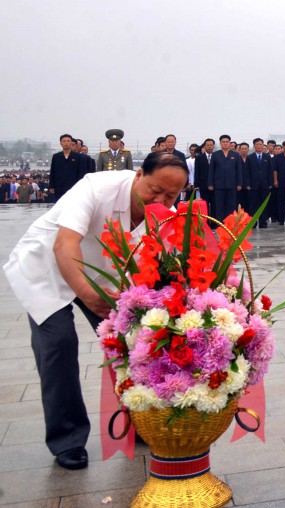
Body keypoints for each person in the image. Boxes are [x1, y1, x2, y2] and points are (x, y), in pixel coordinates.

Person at [3, 151, 188, 470]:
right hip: (50, 269)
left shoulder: (166, 213)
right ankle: (67, 438)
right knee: (59, 343)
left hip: (106, 274)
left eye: (171, 195)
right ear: (140, 174)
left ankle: (142, 420)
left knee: (136, 344)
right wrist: (88, 295)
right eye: (155, 190)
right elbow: (65, 244)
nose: (159, 199)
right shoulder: (95, 187)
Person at [48, 134, 87, 204]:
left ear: (71, 143)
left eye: (68, 141)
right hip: (59, 186)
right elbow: (53, 171)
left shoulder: (78, 157)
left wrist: (81, 185)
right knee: (59, 204)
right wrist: (51, 186)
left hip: (74, 186)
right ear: (61, 143)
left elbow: (81, 172)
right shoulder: (56, 156)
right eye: (64, 141)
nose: (66, 143)